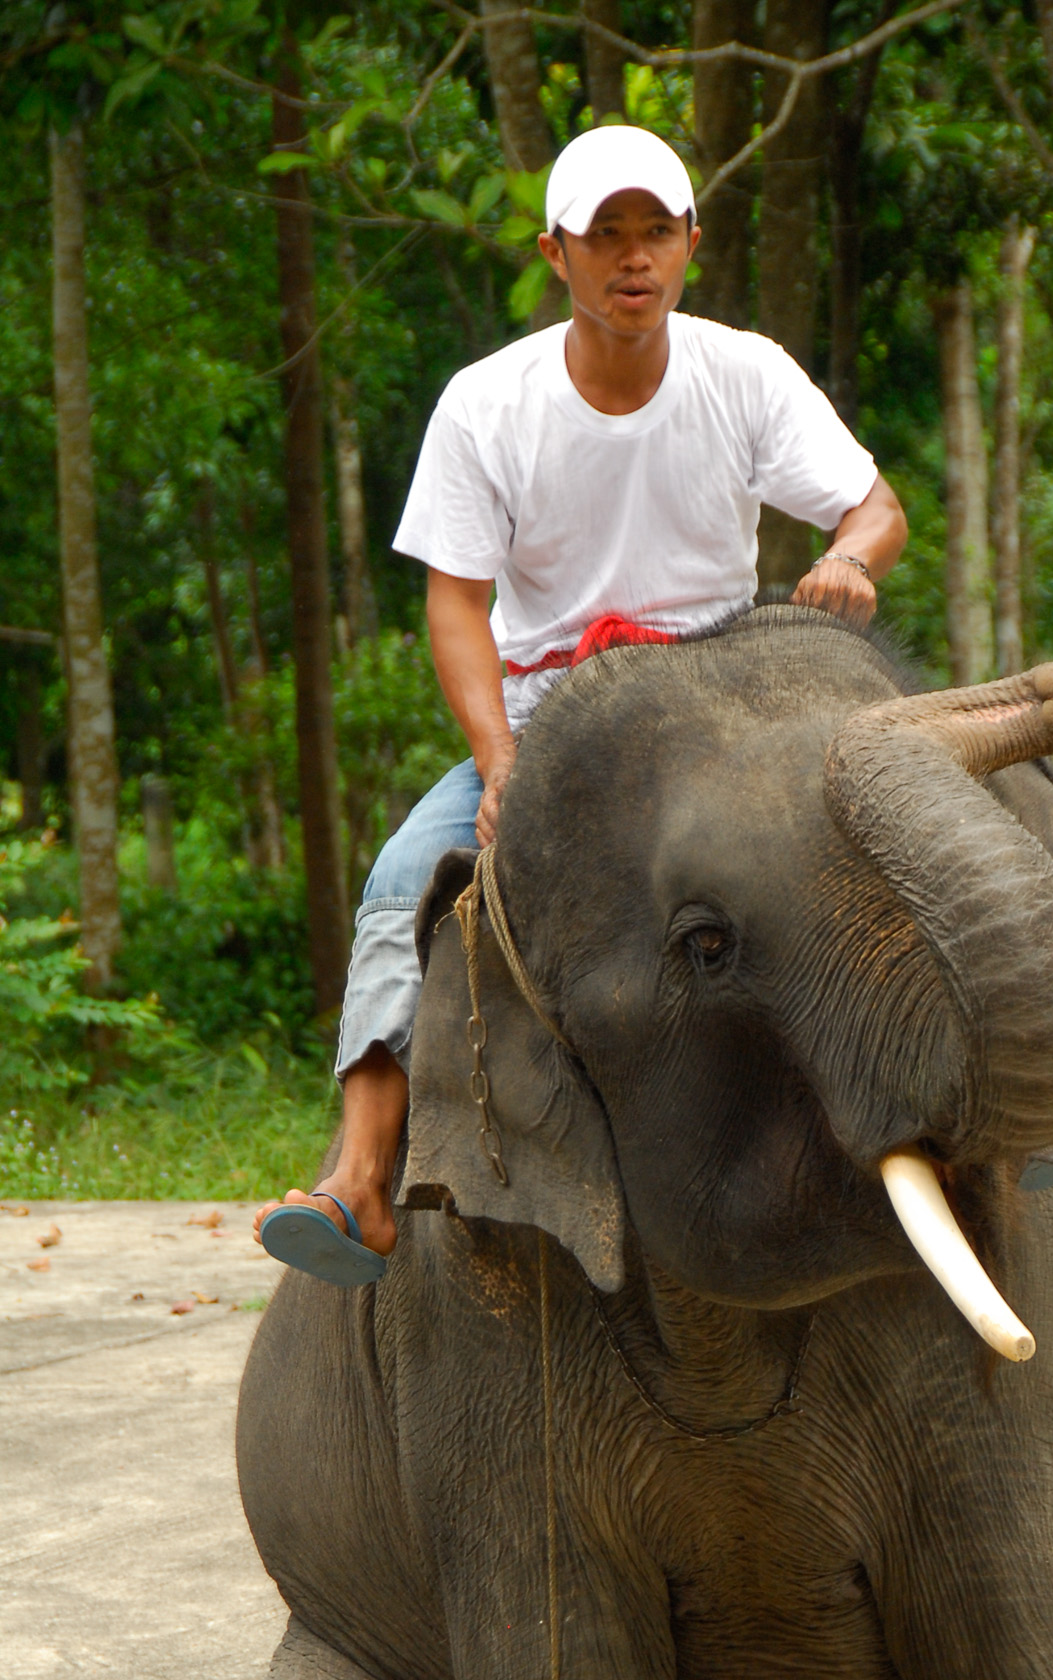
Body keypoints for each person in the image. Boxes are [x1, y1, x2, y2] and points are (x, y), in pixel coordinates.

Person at [257, 123, 906, 1285]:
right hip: (557, 727)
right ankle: (359, 1178)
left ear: (691, 244)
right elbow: (456, 604)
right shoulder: (486, 405)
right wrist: (498, 760)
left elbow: (876, 507)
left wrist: (851, 557)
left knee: (931, 790)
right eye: (604, 235)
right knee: (406, 878)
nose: (632, 257)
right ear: (555, 253)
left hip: (729, 703)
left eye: (654, 229)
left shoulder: (743, 373)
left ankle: (1047, 1072)